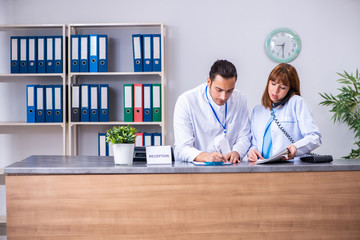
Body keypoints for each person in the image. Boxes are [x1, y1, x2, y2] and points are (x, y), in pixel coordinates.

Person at [173, 59, 251, 163]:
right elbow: (182, 148)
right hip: (195, 169)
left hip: (229, 167)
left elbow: (244, 136)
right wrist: (205, 156)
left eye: (229, 91)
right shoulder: (187, 101)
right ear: (209, 82)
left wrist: (237, 152)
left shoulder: (240, 99)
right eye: (219, 90)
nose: (223, 97)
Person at [248, 63, 322, 162]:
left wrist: (296, 148)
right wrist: (253, 150)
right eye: (273, 84)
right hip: (262, 166)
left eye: (282, 87)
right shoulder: (258, 110)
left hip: (289, 167)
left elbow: (315, 137)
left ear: (291, 89)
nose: (275, 91)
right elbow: (255, 143)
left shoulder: (297, 103)